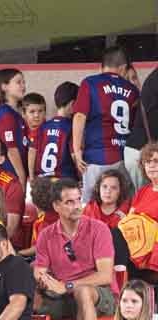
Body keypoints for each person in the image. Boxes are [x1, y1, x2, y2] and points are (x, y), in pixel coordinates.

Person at [32, 178, 116, 320]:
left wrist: (68, 285)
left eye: (79, 200)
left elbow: (105, 276)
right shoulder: (46, 235)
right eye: (69, 202)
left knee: (82, 292)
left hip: (99, 294)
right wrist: (43, 281)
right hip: (61, 297)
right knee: (24, 296)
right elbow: (39, 270)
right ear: (56, 206)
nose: (77, 206)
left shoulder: (99, 229)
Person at [73, 45, 140, 203]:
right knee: (123, 209)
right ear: (123, 68)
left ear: (101, 67)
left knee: (91, 211)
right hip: (123, 157)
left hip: (97, 156)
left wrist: (76, 149)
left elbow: (79, 116)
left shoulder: (90, 83)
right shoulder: (133, 91)